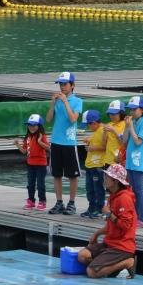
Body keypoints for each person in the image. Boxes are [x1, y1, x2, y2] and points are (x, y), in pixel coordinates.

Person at [77, 163, 138, 278]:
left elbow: (126, 225)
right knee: (82, 256)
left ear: (115, 181)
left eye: (107, 177)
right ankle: (107, 268)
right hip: (110, 243)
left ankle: (127, 262)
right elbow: (111, 225)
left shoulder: (124, 198)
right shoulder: (113, 196)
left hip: (122, 247)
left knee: (92, 272)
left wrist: (109, 214)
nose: (105, 179)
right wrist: (97, 234)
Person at [45, 70, 82, 215]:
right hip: (56, 142)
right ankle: (59, 202)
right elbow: (48, 119)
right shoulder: (57, 100)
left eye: (65, 84)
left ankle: (72, 203)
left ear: (72, 85)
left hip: (69, 142)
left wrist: (65, 102)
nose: (62, 87)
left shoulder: (77, 101)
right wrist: (53, 103)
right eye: (60, 84)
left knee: (73, 175)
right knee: (56, 174)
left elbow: (73, 119)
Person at [121, 95, 143, 228]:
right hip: (131, 161)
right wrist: (127, 127)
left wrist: (131, 127)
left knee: (139, 190)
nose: (132, 112)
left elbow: (138, 142)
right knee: (132, 190)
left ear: (142, 110)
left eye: (134, 109)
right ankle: (135, 216)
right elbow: (124, 141)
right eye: (130, 110)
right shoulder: (134, 122)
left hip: (139, 162)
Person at [13, 113, 49, 210]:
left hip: (41, 164)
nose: (31, 127)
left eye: (34, 125)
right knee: (30, 184)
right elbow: (24, 151)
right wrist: (17, 144)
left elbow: (48, 148)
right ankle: (31, 200)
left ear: (39, 126)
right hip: (30, 164)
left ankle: (42, 201)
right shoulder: (28, 137)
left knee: (41, 184)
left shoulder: (42, 136)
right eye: (29, 125)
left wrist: (40, 142)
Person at [80, 109, 107, 219]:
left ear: (94, 123)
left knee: (98, 188)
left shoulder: (103, 130)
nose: (88, 127)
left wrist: (92, 147)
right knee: (89, 188)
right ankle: (91, 207)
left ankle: (99, 208)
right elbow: (96, 139)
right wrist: (89, 140)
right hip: (90, 165)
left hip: (98, 165)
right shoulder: (97, 131)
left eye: (88, 125)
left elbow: (105, 146)